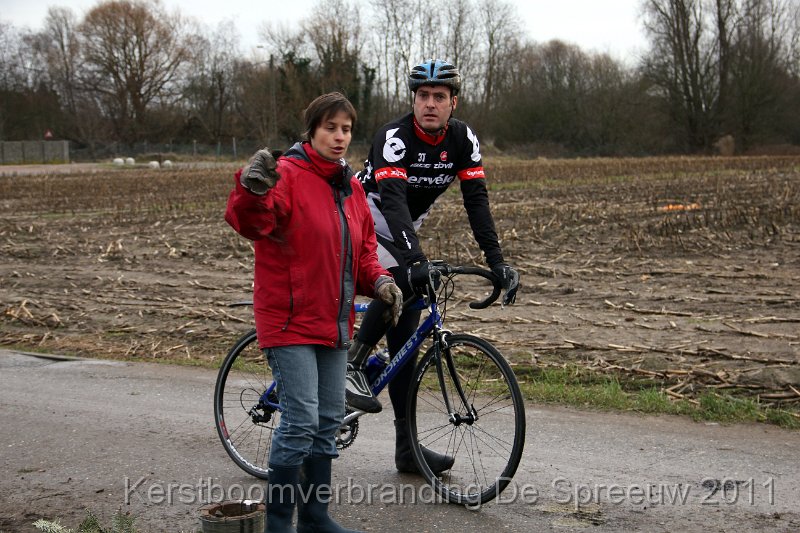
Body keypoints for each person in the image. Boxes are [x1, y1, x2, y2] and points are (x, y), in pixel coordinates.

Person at [225, 92, 403, 533]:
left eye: (346, 129)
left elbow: (362, 254)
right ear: (312, 131)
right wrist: (250, 189)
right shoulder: (285, 174)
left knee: (326, 423)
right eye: (330, 127)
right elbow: (251, 223)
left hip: (334, 321)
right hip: (288, 320)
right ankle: (279, 523)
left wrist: (380, 281)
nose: (340, 136)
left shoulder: (352, 188)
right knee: (301, 422)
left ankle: (316, 518)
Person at [344, 59, 521, 475]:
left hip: (402, 228)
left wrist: (497, 262)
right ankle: (352, 365)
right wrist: (416, 261)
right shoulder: (394, 137)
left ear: (453, 102)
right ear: (414, 100)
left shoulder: (463, 140)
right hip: (363, 217)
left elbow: (476, 200)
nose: (429, 104)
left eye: (439, 97)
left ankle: (407, 449)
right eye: (422, 96)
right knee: (405, 279)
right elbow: (392, 202)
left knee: (406, 344)